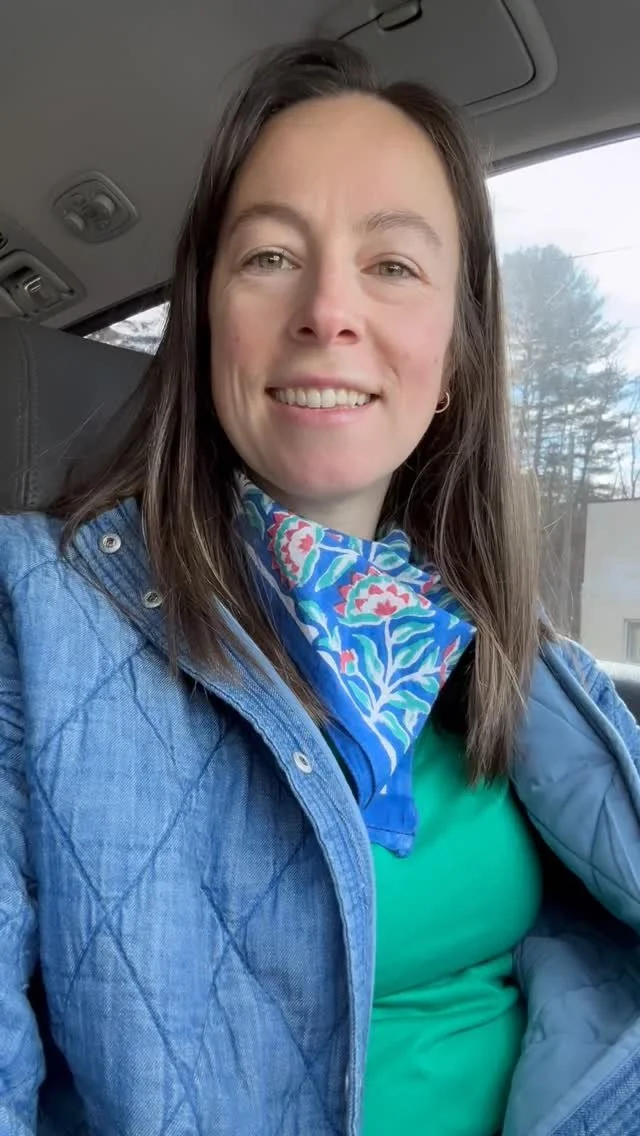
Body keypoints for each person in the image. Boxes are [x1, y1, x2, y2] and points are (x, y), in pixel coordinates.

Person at [0, 37, 639, 1136]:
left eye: (392, 265)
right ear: (209, 325)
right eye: (269, 256)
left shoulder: (493, 627)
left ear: (455, 360)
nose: (328, 310)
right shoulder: (33, 614)